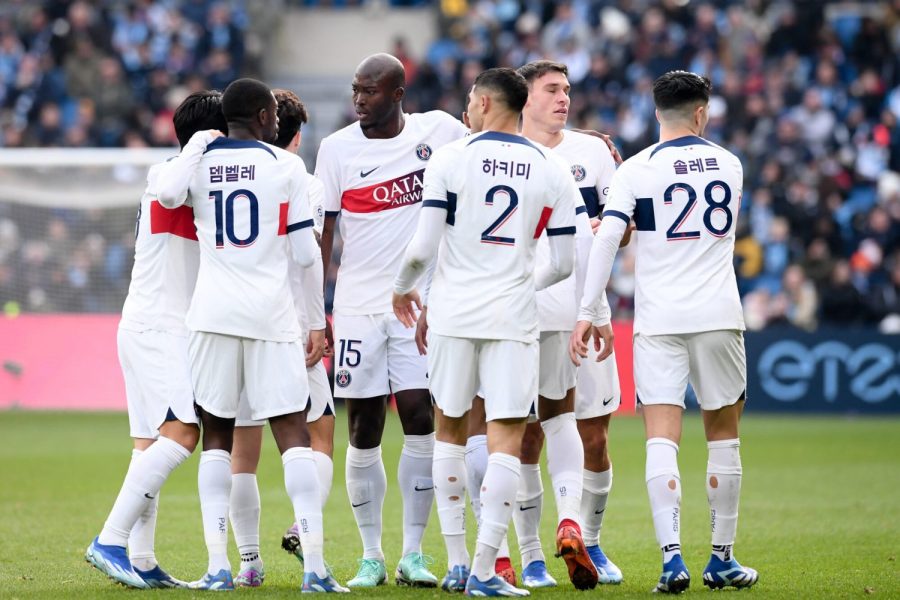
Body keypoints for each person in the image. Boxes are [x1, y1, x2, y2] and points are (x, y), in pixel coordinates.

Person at [570, 70, 759, 594]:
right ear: (702, 113)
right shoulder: (731, 163)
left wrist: (589, 308)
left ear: (657, 113)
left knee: (661, 436)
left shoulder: (635, 169)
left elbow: (609, 238)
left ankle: (672, 559)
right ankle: (721, 558)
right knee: (723, 436)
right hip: (719, 314)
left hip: (659, 319)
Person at [156, 78, 346, 593]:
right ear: (266, 116)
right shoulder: (286, 166)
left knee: (217, 440)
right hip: (270, 318)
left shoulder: (201, 163)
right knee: (293, 436)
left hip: (212, 317)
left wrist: (198, 145)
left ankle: (219, 565)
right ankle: (314, 568)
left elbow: (168, 192)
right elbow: (307, 257)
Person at [393, 67, 577, 596]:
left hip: (452, 313)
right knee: (505, 439)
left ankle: (455, 562)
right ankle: (484, 567)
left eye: (471, 100)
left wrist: (403, 288)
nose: (467, 109)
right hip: (512, 317)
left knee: (449, 433)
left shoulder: (451, 159)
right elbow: (563, 264)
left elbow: (423, 249)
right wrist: (522, 280)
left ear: (487, 103)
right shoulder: (550, 166)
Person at [316, 52, 466, 587]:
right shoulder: (335, 150)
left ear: (398, 94)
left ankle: (413, 553)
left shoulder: (440, 131)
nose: (359, 99)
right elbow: (324, 235)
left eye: (370, 91)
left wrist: (580, 138)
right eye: (356, 89)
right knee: (363, 427)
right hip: (357, 308)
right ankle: (371, 555)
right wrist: (319, 310)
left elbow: (498, 131)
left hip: (417, 308)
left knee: (421, 417)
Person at [84, 90, 227, 590]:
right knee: (184, 431)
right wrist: (200, 145)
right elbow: (169, 193)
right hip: (158, 328)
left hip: (150, 325)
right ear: (212, 134)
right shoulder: (169, 174)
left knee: (148, 445)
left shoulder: (202, 182)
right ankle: (110, 539)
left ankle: (141, 559)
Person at [515, 59, 624, 586]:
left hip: (586, 308)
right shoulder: (506, 153)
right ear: (525, 97)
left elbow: (622, 232)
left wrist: (608, 230)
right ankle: (533, 553)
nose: (563, 99)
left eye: (567, 90)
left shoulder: (595, 151)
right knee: (528, 436)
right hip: (527, 315)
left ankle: (592, 542)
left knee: (595, 437)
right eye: (552, 90)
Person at [224, 88, 334, 588]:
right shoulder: (299, 179)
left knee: (241, 451)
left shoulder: (219, 169)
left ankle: (247, 563)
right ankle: (311, 551)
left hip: (229, 324)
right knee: (316, 435)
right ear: (292, 136)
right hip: (285, 325)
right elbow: (310, 261)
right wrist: (318, 322)